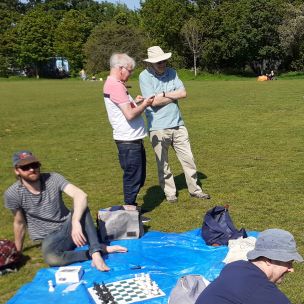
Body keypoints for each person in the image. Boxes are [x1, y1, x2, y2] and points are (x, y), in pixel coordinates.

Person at [3, 151, 127, 272]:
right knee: (52, 258)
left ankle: (96, 253)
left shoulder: (53, 178)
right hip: (49, 238)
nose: (31, 169)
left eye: (34, 165)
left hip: (69, 227)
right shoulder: (13, 194)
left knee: (81, 207)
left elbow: (80, 195)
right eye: (25, 167)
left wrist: (75, 222)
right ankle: (96, 251)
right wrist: (18, 252)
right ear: (17, 170)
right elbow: (19, 222)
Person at [139, 46, 210, 204]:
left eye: (164, 60)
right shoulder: (144, 76)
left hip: (178, 124)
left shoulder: (172, 72)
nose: (162, 63)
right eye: (158, 62)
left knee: (188, 159)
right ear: (151, 63)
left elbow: (183, 93)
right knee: (163, 163)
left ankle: (195, 190)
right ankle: (170, 193)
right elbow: (153, 102)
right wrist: (172, 95)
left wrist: (163, 94)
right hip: (157, 127)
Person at [103, 53, 155, 207]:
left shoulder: (114, 84)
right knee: (133, 178)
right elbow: (130, 115)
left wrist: (135, 101)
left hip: (131, 139)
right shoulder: (116, 86)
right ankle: (130, 212)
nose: (130, 74)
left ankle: (131, 210)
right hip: (128, 141)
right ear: (120, 68)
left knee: (138, 176)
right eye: (130, 70)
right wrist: (145, 104)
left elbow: (123, 107)